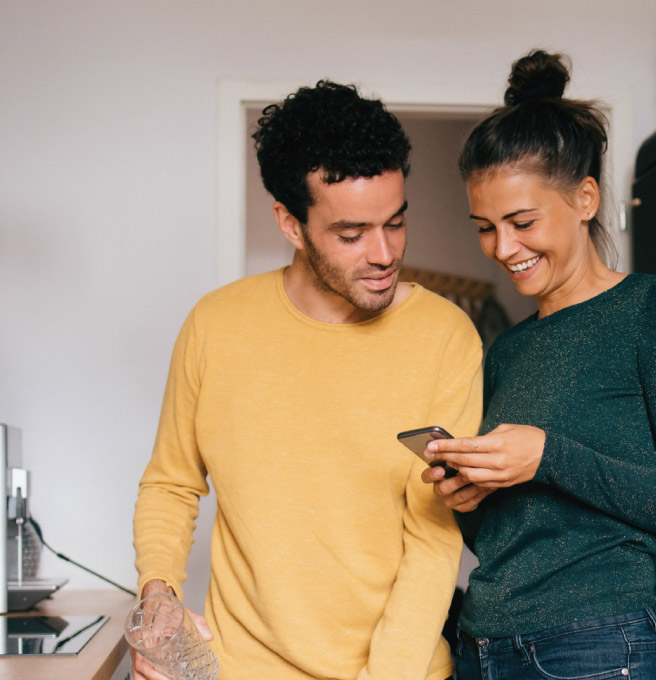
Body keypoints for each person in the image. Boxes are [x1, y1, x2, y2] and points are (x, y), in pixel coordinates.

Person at [132, 80, 482, 680]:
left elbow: (432, 538)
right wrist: (157, 592)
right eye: (351, 234)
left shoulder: (445, 337)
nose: (384, 253)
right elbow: (171, 483)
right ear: (291, 224)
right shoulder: (215, 325)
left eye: (396, 222)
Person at [420, 50, 656, 680]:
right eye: (485, 227)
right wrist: (468, 497)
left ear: (585, 198)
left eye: (521, 222)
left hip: (597, 647)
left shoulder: (654, 309)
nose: (502, 248)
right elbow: (517, 535)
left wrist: (548, 456)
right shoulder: (507, 349)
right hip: (481, 647)